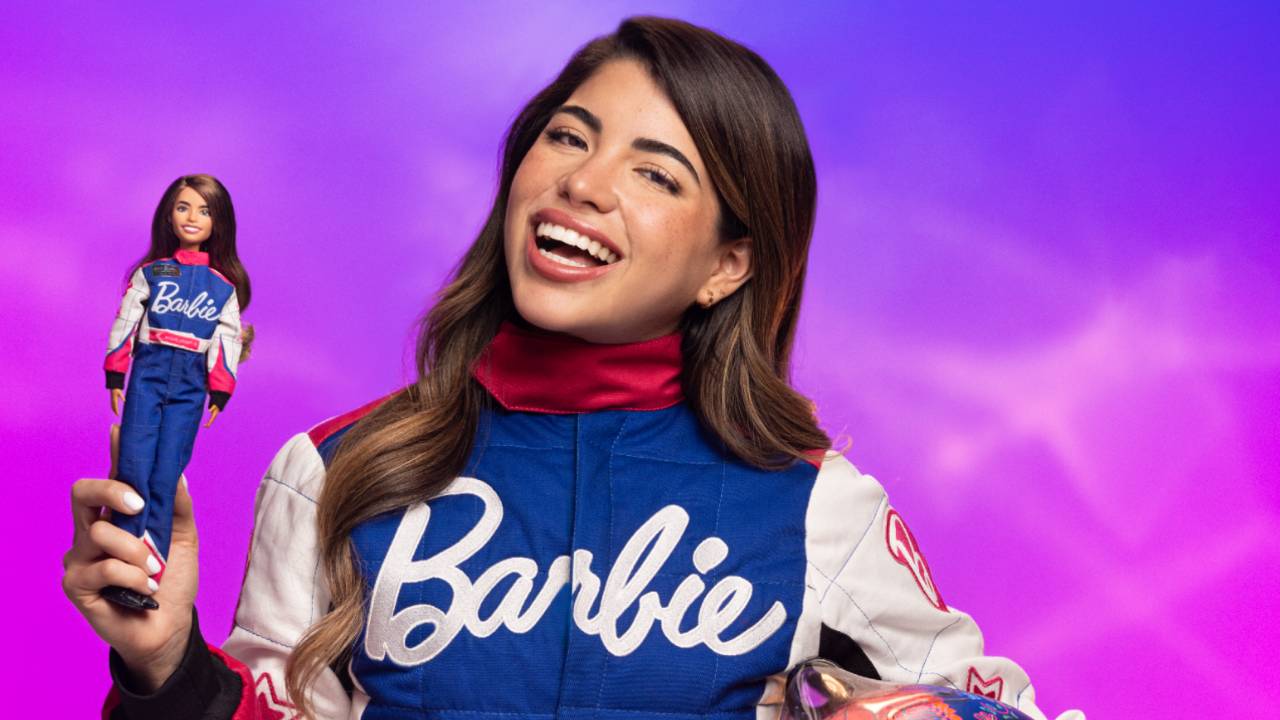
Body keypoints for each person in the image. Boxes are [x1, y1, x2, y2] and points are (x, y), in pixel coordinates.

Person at [64, 17, 1083, 720]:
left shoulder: (815, 509)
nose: (584, 184)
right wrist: (168, 666)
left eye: (655, 174)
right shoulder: (333, 473)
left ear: (728, 265)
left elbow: (990, 705)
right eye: (567, 137)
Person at [97, 174, 250, 611]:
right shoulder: (151, 274)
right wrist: (115, 373)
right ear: (169, 214)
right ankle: (120, 568)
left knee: (165, 477)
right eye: (183, 207)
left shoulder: (222, 288)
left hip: (189, 386)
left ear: (218, 222)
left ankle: (147, 578)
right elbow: (126, 321)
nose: (192, 217)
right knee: (132, 468)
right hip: (147, 374)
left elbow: (227, 339)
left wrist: (221, 390)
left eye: (204, 210)